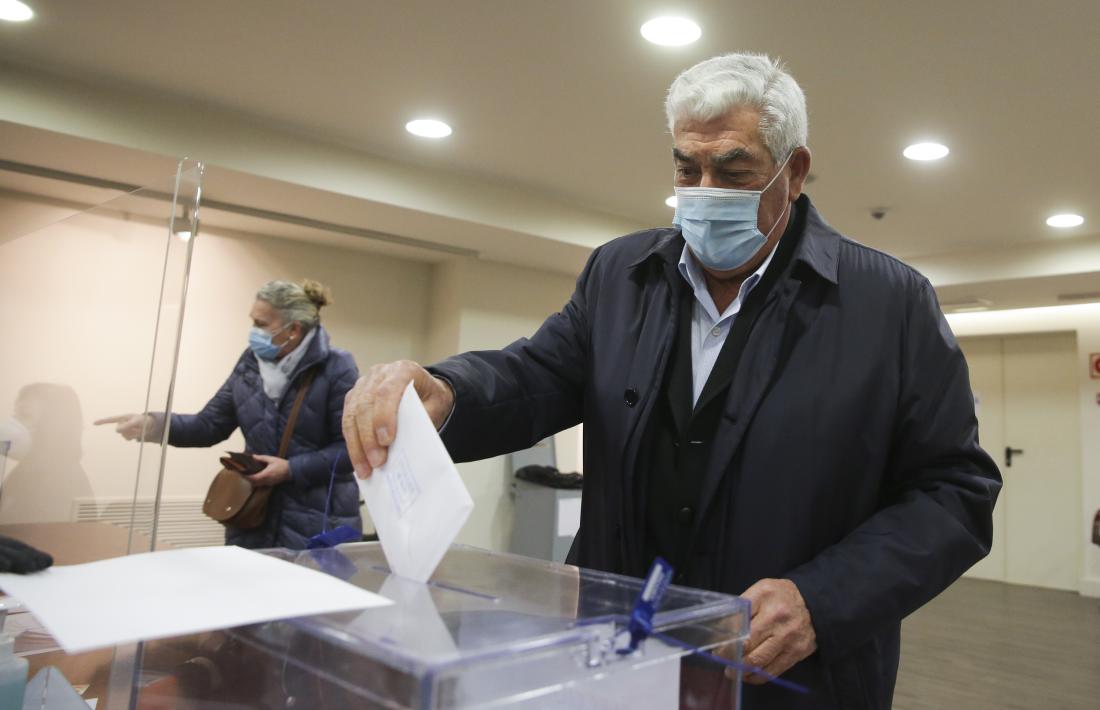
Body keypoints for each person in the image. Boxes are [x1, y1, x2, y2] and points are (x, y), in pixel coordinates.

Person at [341, 53, 1000, 709]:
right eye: (688, 167)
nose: (705, 188)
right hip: (620, 654)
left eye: (734, 170)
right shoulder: (620, 275)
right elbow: (535, 373)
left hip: (789, 675)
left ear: (793, 171)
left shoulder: (889, 304)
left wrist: (821, 600)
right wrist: (447, 390)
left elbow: (953, 494)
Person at [98, 280, 362, 550]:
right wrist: (154, 424)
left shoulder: (336, 367)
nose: (253, 332)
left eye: (260, 324)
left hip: (319, 523)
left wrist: (290, 470)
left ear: (293, 330)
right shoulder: (250, 363)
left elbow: (353, 450)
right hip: (253, 517)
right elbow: (209, 425)